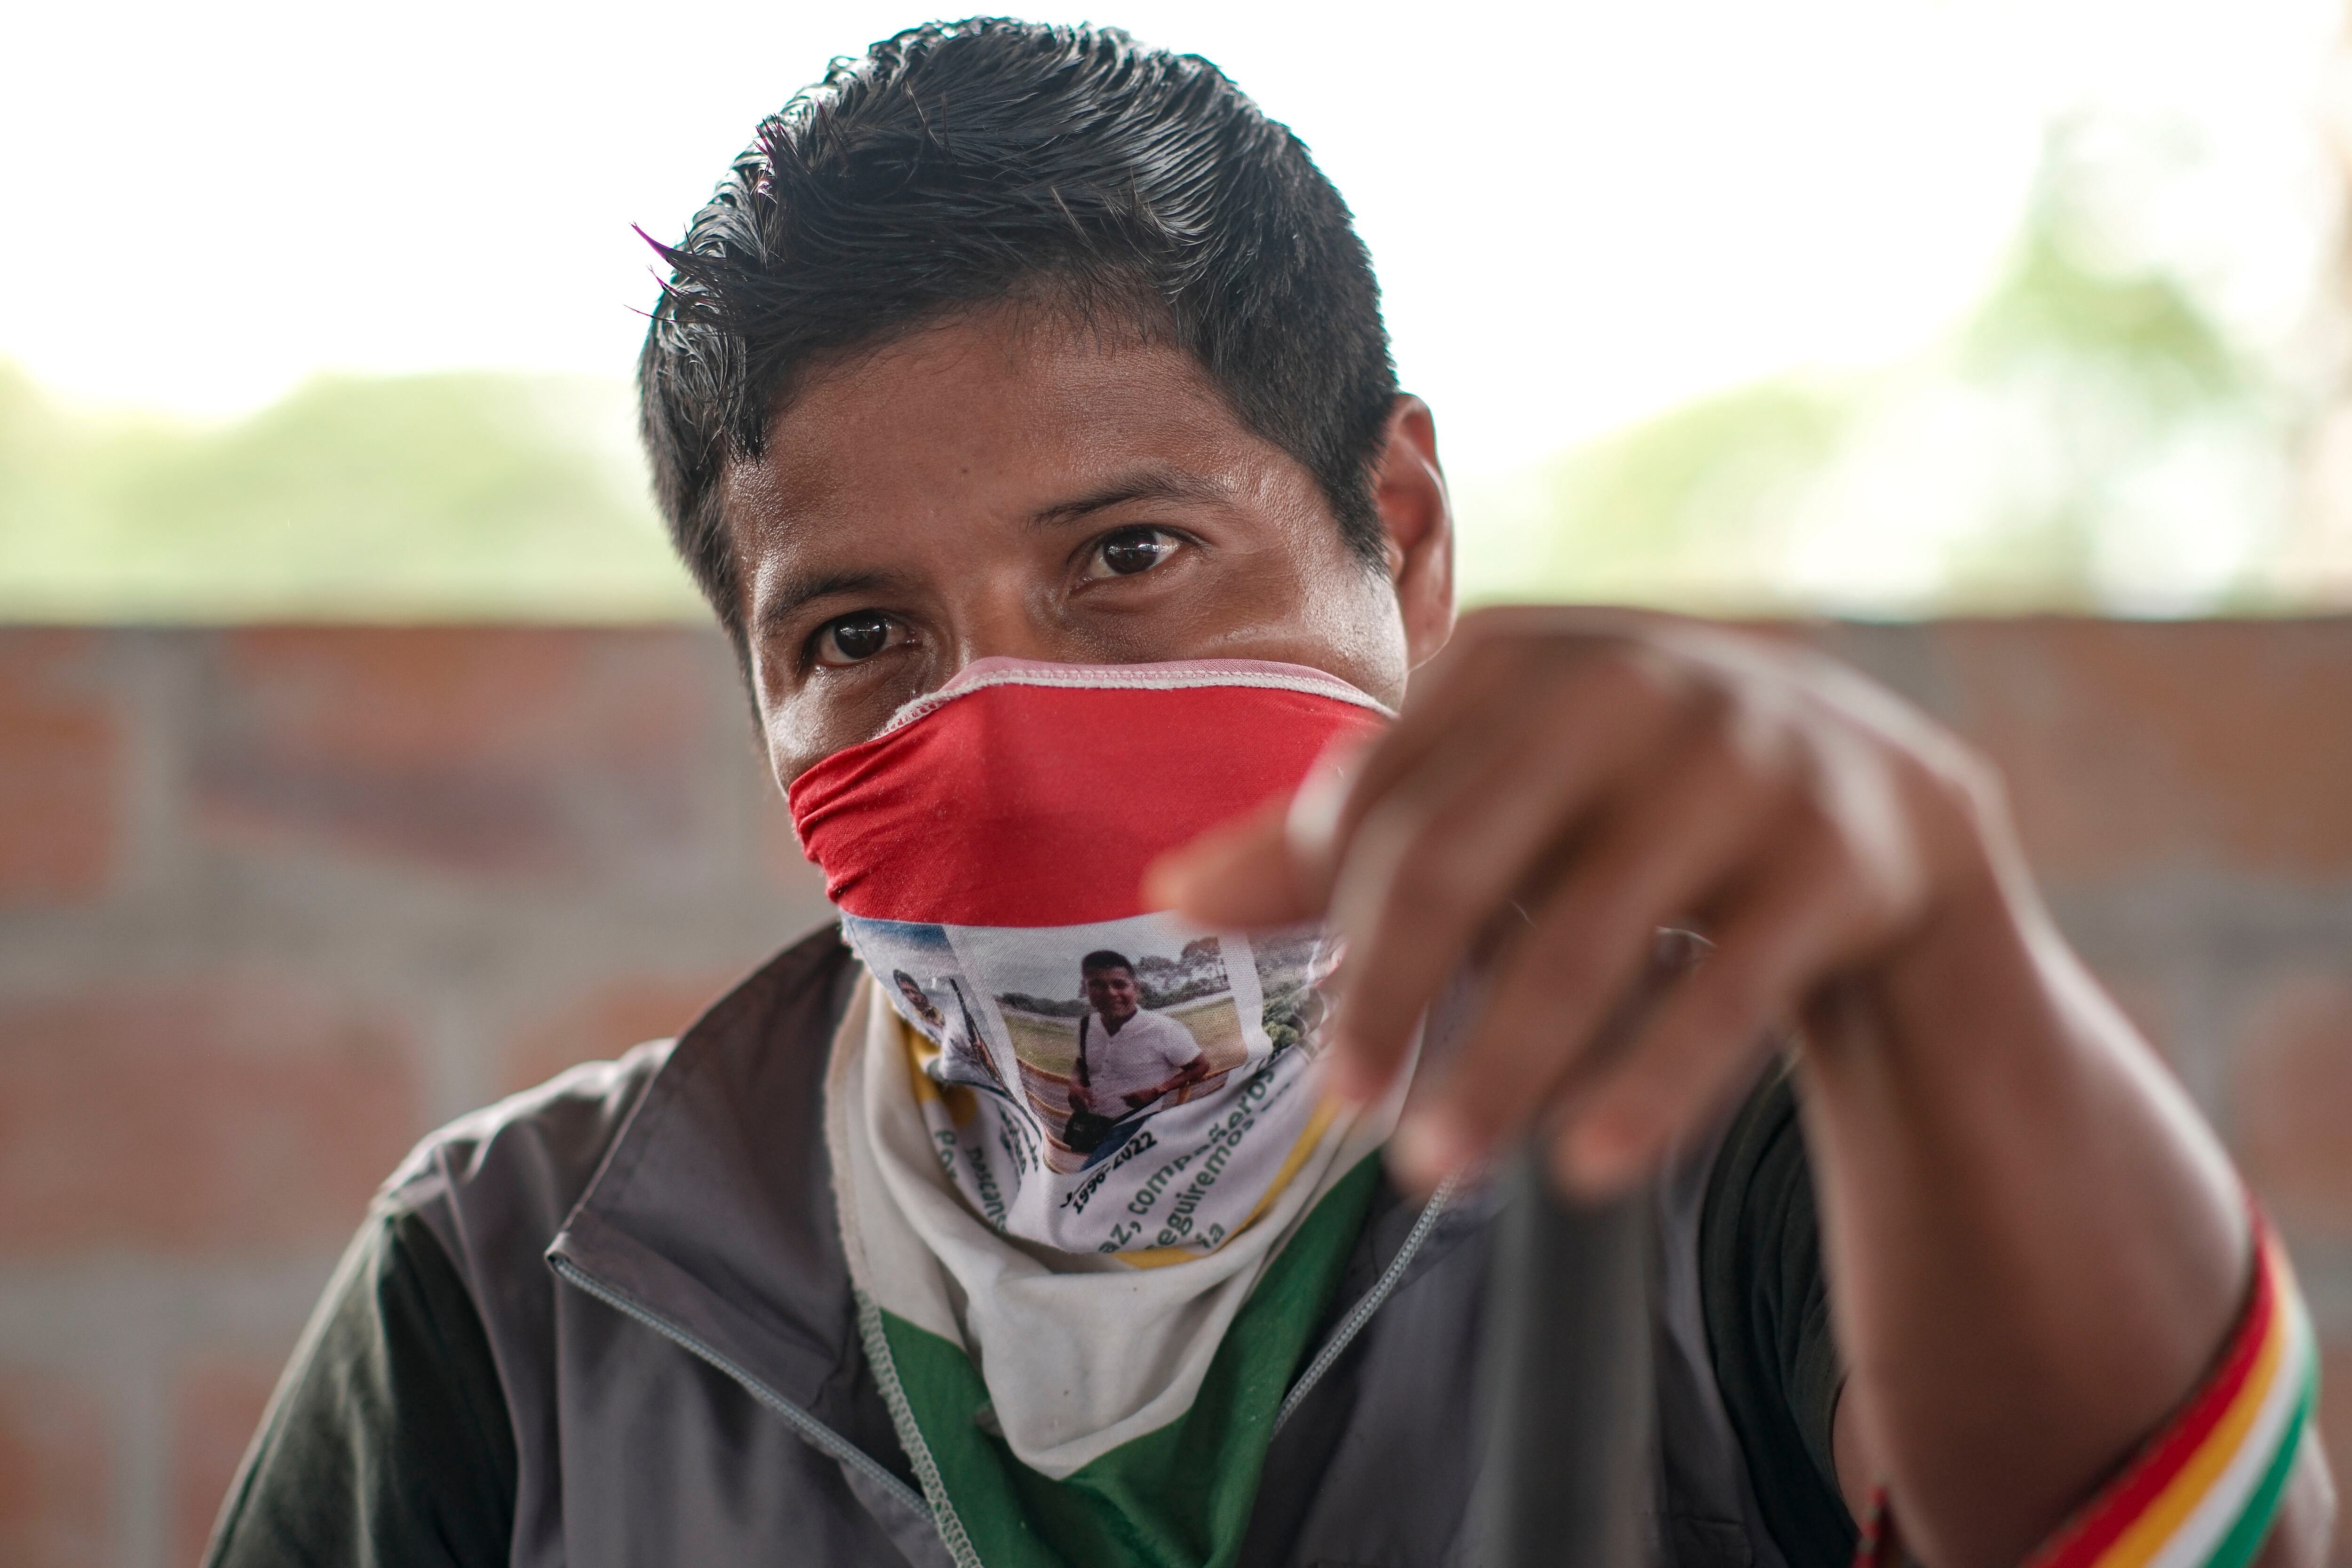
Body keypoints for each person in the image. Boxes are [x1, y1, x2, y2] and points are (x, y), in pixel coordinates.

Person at [202, 19, 2334, 1568]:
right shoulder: (503, 1292)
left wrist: (1936, 941)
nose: (1008, 729)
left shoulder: (1741, 1133)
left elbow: (2191, 1537)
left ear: (1398, 536)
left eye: (1128, 559)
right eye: (860, 636)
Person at [1066, 949, 1213, 1124]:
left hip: (1140, 1126)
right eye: (1097, 985)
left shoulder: (1164, 1028)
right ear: (1085, 988)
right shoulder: (1086, 1024)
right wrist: (1074, 1083)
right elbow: (1083, 1062)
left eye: (1120, 984)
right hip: (1092, 1124)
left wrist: (1158, 1090)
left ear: (1136, 988)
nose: (1111, 993)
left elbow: (1201, 1065)